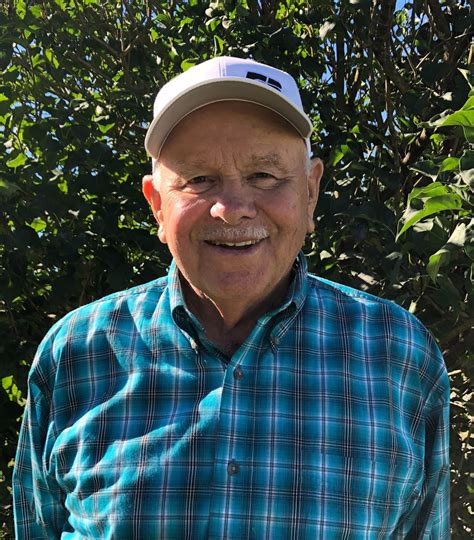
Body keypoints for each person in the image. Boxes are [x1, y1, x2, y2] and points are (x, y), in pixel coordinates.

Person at [13, 57, 449, 538]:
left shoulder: (400, 354)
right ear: (157, 205)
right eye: (199, 179)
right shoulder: (76, 353)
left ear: (310, 192)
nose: (232, 209)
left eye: (265, 176)